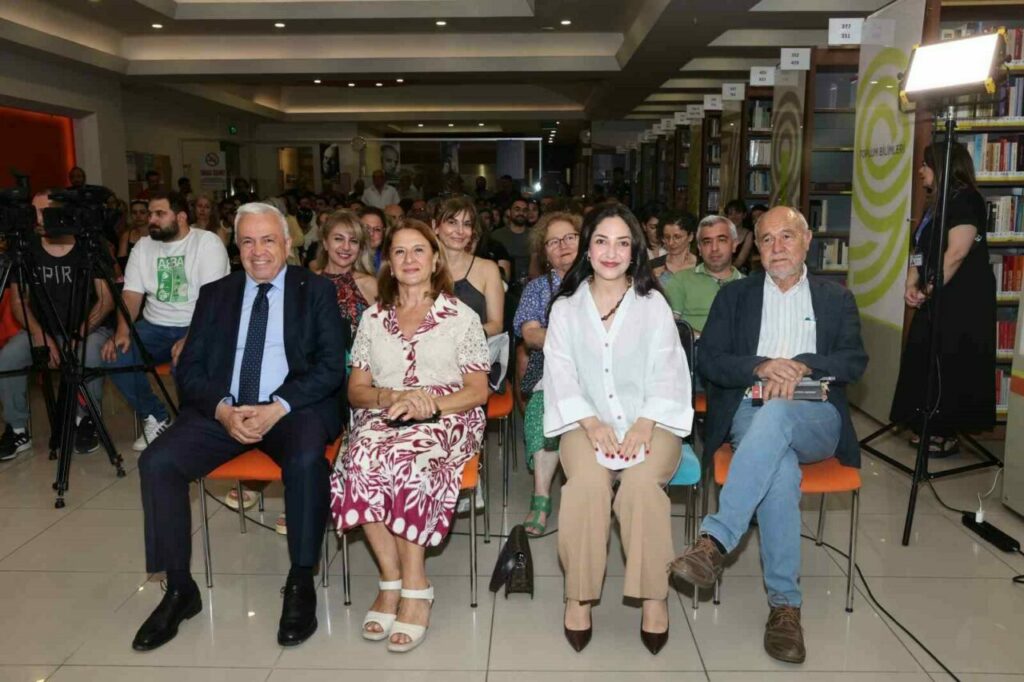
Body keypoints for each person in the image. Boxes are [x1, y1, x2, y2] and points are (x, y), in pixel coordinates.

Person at [132, 202, 347, 651]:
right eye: (247, 241)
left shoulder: (316, 290)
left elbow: (330, 368)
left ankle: (301, 579)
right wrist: (223, 409)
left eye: (268, 240)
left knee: (307, 459)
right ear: (237, 248)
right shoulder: (217, 293)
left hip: (292, 408)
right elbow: (190, 368)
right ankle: (179, 589)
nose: (258, 251)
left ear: (287, 244)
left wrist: (278, 406)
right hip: (225, 410)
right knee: (157, 462)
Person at [670, 206, 867, 664]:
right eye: (766, 239)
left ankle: (716, 541)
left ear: (807, 241)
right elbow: (710, 360)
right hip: (749, 407)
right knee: (779, 472)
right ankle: (785, 608)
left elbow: (853, 362)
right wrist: (760, 366)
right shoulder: (735, 296)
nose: (777, 248)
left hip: (816, 414)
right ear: (755, 248)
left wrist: (803, 364)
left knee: (780, 413)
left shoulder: (835, 299)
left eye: (787, 237)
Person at [330, 218, 490, 653]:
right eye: (399, 251)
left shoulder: (460, 316)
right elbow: (356, 390)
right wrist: (391, 396)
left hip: (449, 415)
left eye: (419, 250)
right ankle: (391, 580)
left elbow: (477, 391)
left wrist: (430, 405)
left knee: (409, 461)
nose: (409, 259)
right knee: (358, 459)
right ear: (389, 262)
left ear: (435, 259)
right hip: (385, 412)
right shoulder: (373, 318)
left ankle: (416, 588)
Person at [543, 202, 693, 654]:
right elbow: (561, 374)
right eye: (602, 241)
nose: (611, 253)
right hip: (584, 421)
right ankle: (578, 595)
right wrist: (591, 423)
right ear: (587, 249)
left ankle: (654, 596)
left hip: (653, 420)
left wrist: (645, 424)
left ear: (635, 251)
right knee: (586, 484)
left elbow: (670, 370)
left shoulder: (653, 305)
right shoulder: (566, 309)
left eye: (622, 243)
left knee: (640, 486)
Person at [101, 191, 230, 450]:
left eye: (160, 214)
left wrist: (191, 338)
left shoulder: (207, 243)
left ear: (181, 217)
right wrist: (122, 331)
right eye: (150, 214)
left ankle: (193, 426)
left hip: (199, 324)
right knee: (116, 355)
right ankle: (156, 416)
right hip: (155, 327)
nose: (151, 220)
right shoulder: (143, 247)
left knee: (186, 361)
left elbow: (212, 301)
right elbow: (131, 295)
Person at [890, 141, 995, 455]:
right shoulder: (934, 204)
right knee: (924, 355)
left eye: (926, 164)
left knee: (950, 359)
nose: (921, 170)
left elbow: (957, 253)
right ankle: (927, 424)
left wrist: (928, 290)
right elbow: (919, 248)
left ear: (942, 166)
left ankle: (945, 432)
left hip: (961, 300)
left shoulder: (967, 200)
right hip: (935, 293)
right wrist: (912, 280)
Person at [0, 191, 114, 460]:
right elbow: (18, 301)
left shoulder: (88, 244)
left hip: (88, 329)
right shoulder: (26, 246)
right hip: (42, 329)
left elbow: (106, 300)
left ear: (62, 214)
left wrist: (78, 335)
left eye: (44, 212)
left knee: (88, 353)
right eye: (34, 212)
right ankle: (17, 428)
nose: (37, 219)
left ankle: (86, 419)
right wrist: (40, 335)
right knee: (8, 358)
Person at [512, 211, 581, 535]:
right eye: (553, 242)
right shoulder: (538, 288)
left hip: (604, 372)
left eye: (570, 237)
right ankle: (541, 499)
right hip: (552, 369)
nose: (563, 245)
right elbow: (530, 334)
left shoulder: (603, 281)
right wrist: (575, 340)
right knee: (540, 408)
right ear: (545, 253)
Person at [433, 197, 504, 336]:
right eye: (452, 222)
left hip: (473, 346)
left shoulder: (487, 269)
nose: (460, 231)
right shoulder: (422, 267)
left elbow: (496, 324)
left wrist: (466, 338)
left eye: (466, 224)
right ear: (435, 226)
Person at [663, 215, 744, 334]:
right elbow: (670, 325)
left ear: (734, 245)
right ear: (700, 249)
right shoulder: (681, 280)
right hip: (694, 344)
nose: (714, 248)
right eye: (707, 242)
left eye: (721, 240)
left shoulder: (749, 285)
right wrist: (705, 340)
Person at [313, 209, 378, 337]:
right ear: (325, 243)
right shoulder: (309, 282)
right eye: (338, 239)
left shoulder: (370, 285)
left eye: (353, 241)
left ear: (360, 248)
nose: (346, 247)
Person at [649, 211, 698, 285]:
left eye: (677, 237)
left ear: (690, 236)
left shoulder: (703, 267)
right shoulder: (652, 266)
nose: (671, 242)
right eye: (667, 237)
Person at [490, 198, 531, 283]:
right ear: (509, 212)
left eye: (525, 210)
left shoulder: (535, 235)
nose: (521, 213)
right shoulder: (497, 235)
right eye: (517, 209)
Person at [118, 199, 149, 270]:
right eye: (134, 213)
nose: (138, 216)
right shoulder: (126, 236)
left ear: (149, 214)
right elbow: (121, 262)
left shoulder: (157, 234)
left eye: (142, 212)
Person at [724, 199, 754, 272]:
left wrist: (725, 273)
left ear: (744, 215)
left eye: (737, 213)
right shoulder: (722, 232)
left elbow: (740, 261)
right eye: (730, 213)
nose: (734, 216)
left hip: (740, 271)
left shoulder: (749, 234)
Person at [359, 206, 387, 271]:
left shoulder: (388, 261)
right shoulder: (346, 258)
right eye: (366, 228)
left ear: (384, 232)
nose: (371, 234)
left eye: (377, 229)